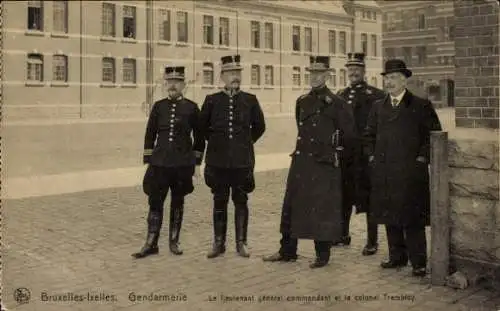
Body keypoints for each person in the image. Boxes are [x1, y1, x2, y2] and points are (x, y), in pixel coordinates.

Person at [262, 56, 357, 268]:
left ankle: (322, 255)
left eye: (319, 74)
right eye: (311, 74)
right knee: (292, 205)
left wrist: (334, 155)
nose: (314, 78)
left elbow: (349, 136)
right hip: (302, 161)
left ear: (328, 76)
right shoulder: (302, 101)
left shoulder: (338, 104)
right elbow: (301, 128)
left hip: (323, 163)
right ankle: (287, 250)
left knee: (322, 208)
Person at [363, 59, 442, 277]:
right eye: (387, 78)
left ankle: (418, 262)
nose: (389, 82)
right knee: (390, 215)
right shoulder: (378, 106)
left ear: (405, 80)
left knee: (412, 217)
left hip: (410, 173)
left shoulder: (420, 105)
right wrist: (371, 157)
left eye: (394, 78)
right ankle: (397, 257)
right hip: (385, 172)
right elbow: (368, 135)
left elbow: (433, 136)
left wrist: (421, 159)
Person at [132, 66, 205, 259]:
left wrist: (197, 164)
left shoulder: (192, 108)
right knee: (155, 201)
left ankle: (174, 240)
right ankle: (151, 242)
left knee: (178, 201)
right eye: (169, 82)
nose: (172, 85)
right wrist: (149, 160)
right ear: (166, 84)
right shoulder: (158, 106)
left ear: (183, 85)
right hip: (160, 163)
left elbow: (199, 138)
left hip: (182, 164)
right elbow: (150, 134)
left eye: (177, 82)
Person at [199, 54, 266, 259]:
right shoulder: (212, 101)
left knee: (240, 199)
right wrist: (219, 144)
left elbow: (260, 127)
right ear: (222, 77)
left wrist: (243, 143)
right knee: (219, 200)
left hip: (241, 161)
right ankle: (218, 243)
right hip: (218, 161)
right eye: (230, 73)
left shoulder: (250, 100)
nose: (234, 77)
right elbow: (202, 128)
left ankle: (241, 242)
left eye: (237, 73)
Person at [335, 52, 386, 256]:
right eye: (350, 68)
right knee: (344, 196)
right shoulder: (341, 95)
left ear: (364, 71)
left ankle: (372, 241)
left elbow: (380, 129)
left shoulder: (376, 96)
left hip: (365, 156)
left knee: (369, 198)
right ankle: (342, 234)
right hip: (346, 156)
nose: (353, 72)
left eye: (357, 69)